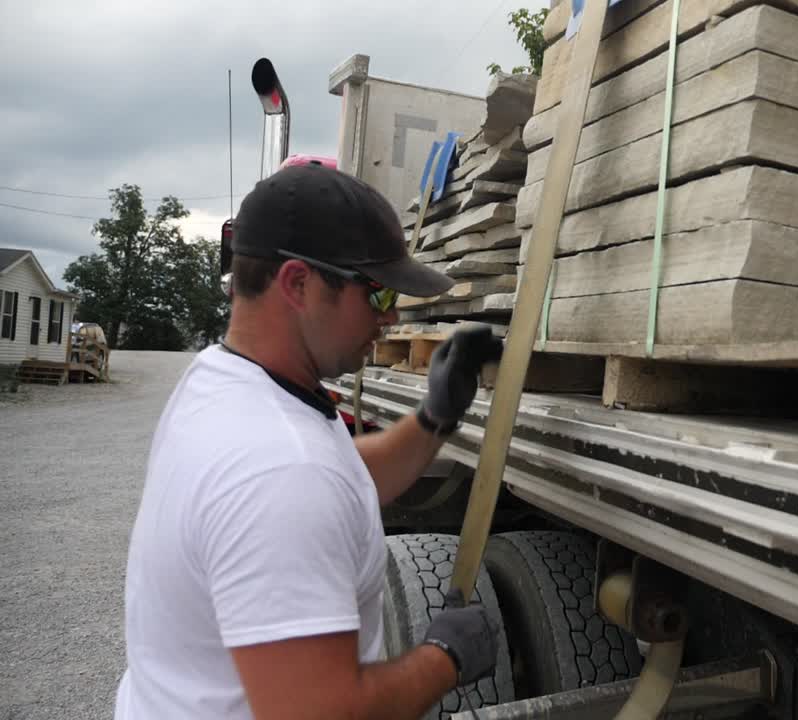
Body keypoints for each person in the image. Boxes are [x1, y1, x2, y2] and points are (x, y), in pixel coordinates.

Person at [114, 165, 505, 720]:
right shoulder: (280, 472)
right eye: (378, 293)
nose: (391, 316)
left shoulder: (221, 378)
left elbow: (339, 479)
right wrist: (444, 658)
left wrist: (433, 420)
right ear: (298, 283)